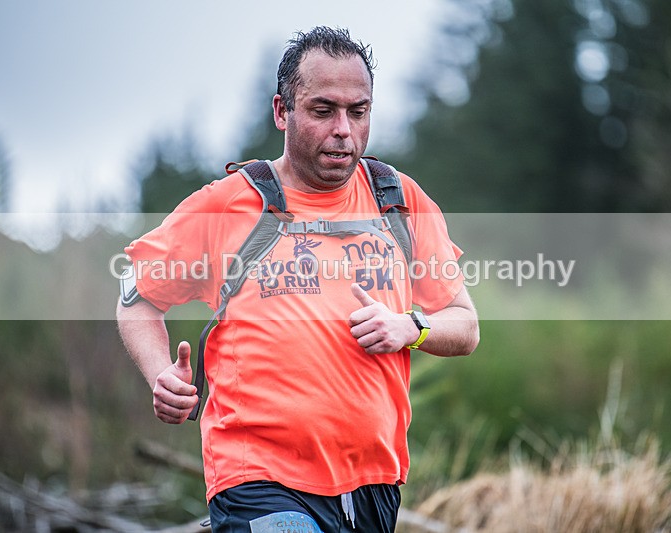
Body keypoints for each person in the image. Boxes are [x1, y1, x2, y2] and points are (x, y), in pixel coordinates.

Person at [116, 26, 479, 533]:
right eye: (323, 110)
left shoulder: (400, 200)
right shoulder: (228, 204)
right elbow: (136, 297)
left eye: (358, 111)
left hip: (373, 484)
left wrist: (410, 327)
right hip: (258, 479)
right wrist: (162, 375)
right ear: (282, 111)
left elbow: (465, 324)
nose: (344, 130)